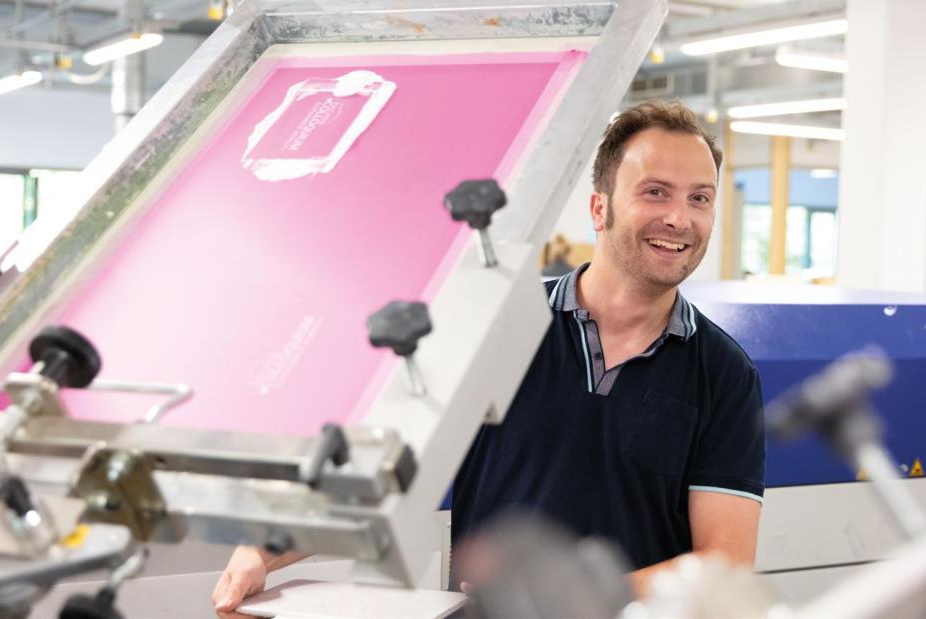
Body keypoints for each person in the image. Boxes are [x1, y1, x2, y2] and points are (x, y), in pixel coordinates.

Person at [212, 100, 765, 613]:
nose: (679, 219)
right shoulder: (499, 328)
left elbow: (724, 564)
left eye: (699, 198)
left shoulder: (724, 374)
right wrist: (265, 550)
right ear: (599, 208)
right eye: (655, 192)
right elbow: (387, 474)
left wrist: (577, 595)